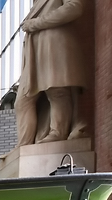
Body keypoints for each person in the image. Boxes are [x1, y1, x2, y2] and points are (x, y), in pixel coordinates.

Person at [14, 0, 89, 146]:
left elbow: (74, 7)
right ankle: (24, 145)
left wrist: (37, 23)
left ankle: (58, 132)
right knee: (22, 101)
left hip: (54, 45)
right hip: (36, 53)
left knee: (57, 91)